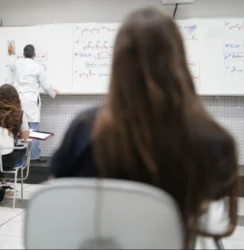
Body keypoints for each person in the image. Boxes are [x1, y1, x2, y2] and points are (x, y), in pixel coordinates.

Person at [50, 7, 239, 248]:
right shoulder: (214, 140)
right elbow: (215, 201)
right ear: (178, 61)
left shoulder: (85, 130)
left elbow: (57, 194)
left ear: (118, 63)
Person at [8, 44, 59, 162]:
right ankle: (34, 156)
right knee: (33, 130)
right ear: (34, 54)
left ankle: (16, 156)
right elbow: (46, 85)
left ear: (23, 54)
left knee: (17, 127)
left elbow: (11, 63)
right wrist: (53, 93)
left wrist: (11, 54)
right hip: (31, 100)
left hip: (18, 99)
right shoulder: (38, 67)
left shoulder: (17, 63)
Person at [0, 84, 30, 182]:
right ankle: (3, 183)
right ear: (15, 97)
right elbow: (25, 137)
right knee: (23, 148)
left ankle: (1, 182)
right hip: (8, 161)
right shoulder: (20, 114)